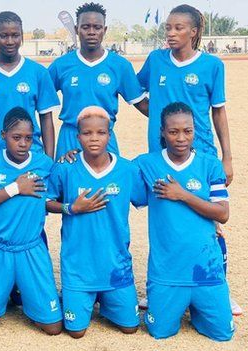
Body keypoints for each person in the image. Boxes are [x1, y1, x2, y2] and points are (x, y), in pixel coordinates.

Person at [136, 4, 239, 315]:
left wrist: (227, 156)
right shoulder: (155, 61)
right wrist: (154, 117)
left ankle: (217, 285)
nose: (171, 32)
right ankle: (162, 286)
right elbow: (134, 91)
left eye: (179, 28)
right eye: (168, 27)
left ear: (194, 32)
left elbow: (218, 111)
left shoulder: (211, 65)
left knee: (209, 224)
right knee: (165, 219)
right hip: (161, 155)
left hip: (202, 152)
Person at [134, 102, 234, 341]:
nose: (181, 138)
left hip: (206, 269)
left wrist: (183, 195)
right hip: (167, 271)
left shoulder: (209, 164)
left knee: (222, 334)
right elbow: (108, 171)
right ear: (162, 132)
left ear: (195, 130)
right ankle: (177, 300)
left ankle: (199, 306)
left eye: (187, 131)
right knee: (160, 331)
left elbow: (223, 213)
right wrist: (72, 156)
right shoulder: (146, 164)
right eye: (173, 131)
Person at [47, 106, 145, 337]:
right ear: (77, 136)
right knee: (76, 332)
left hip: (116, 268)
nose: (94, 138)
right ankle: (84, 295)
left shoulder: (127, 169)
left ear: (109, 135)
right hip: (78, 270)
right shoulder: (65, 168)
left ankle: (107, 298)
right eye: (87, 133)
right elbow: (45, 201)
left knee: (130, 328)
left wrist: (212, 222)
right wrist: (70, 208)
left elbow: (152, 201)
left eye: (100, 133)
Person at [0, 107, 62, 336]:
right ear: (3, 136)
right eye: (16, 137)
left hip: (31, 248)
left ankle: (28, 296)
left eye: (28, 138)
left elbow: (57, 192)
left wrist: (71, 157)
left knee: (53, 327)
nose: (23, 143)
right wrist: (15, 188)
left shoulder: (44, 164)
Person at [48, 2, 148, 159]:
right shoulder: (61, 65)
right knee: (65, 181)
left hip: (103, 137)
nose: (92, 32)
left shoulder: (120, 66)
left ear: (105, 30)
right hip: (70, 137)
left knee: (110, 182)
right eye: (86, 27)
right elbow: (38, 99)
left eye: (97, 27)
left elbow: (142, 104)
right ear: (76, 29)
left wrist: (177, 120)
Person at [0, 11, 60, 173]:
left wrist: (48, 161)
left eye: (15, 35)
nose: (10, 41)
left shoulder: (38, 72)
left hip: (30, 156)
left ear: (22, 36)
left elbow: (46, 119)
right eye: (3, 36)